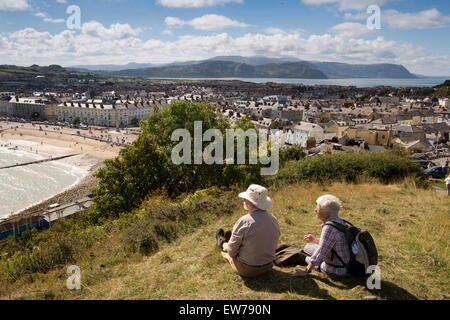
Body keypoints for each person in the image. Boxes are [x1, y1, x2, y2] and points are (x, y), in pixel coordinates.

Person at [216, 184, 280, 278]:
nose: (243, 200)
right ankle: (229, 240)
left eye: (245, 199)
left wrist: (227, 247)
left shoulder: (244, 221)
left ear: (250, 203)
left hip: (248, 269)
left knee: (228, 251)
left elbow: (232, 252)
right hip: (268, 265)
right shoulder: (273, 219)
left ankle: (222, 242)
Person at [293, 195, 351, 280]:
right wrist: (315, 240)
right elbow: (331, 243)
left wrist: (307, 270)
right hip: (344, 264)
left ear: (326, 214)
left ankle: (308, 261)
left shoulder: (329, 228)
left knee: (305, 256)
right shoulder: (340, 222)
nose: (315, 210)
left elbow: (321, 251)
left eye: (318, 209)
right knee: (308, 247)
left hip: (336, 271)